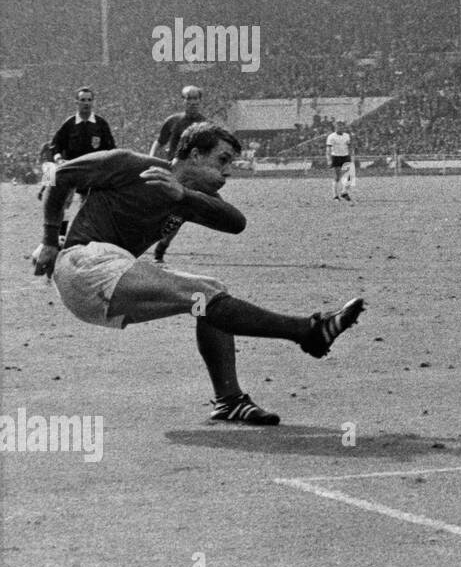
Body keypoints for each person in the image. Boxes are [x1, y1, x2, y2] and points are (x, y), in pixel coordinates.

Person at [32, 122, 365, 426]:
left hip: (108, 284)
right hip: (83, 263)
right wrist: (49, 241)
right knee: (206, 297)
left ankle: (229, 400)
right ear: (194, 154)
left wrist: (183, 196)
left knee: (209, 293)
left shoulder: (188, 197)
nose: (228, 171)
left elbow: (236, 223)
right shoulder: (131, 165)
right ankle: (308, 331)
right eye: (222, 160)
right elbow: (60, 177)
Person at [149, 85, 207, 262]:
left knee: (178, 215)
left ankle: (161, 250)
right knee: (159, 212)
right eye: (188, 98)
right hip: (170, 172)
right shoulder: (173, 121)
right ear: (183, 101)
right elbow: (159, 142)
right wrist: (151, 159)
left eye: (195, 98)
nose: (192, 102)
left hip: (190, 177)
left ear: (200, 101)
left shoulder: (205, 125)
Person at [51, 87, 116, 242]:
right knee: (64, 204)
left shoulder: (100, 124)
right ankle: (61, 236)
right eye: (83, 100)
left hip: (92, 173)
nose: (86, 103)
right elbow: (55, 145)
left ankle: (82, 237)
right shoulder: (70, 123)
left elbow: (111, 148)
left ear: (93, 102)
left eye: (89, 100)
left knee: (87, 207)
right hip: (72, 170)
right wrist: (59, 158)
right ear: (76, 102)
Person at [325, 119, 356, 202]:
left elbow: (349, 146)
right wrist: (329, 159)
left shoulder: (347, 135)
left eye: (341, 125)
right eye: (338, 125)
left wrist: (351, 156)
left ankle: (344, 192)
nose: (340, 127)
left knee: (350, 175)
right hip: (336, 157)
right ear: (335, 126)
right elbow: (328, 149)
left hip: (345, 156)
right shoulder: (331, 136)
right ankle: (335, 196)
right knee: (337, 177)